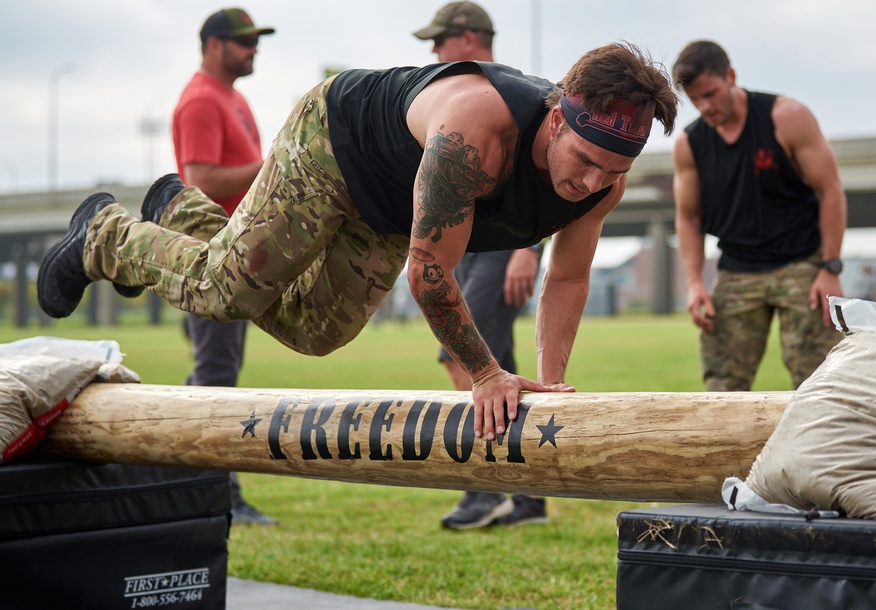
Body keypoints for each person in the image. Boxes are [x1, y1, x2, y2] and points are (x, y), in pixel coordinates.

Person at [36, 42, 679, 449]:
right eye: (588, 161)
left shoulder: (602, 186)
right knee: (225, 291)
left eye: (614, 172)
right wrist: (486, 374)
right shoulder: (474, 132)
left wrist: (550, 387)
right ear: (558, 117)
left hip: (392, 209)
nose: (593, 183)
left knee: (314, 331)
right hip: (334, 146)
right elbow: (430, 270)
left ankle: (178, 210)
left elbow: (565, 280)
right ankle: (105, 235)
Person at [126, 7, 278, 525]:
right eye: (243, 42)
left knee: (217, 369)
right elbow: (198, 179)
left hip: (234, 251)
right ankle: (213, 493)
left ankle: (192, 486)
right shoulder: (200, 100)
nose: (253, 49)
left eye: (256, 40)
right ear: (213, 45)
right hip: (209, 253)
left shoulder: (234, 99)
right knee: (214, 374)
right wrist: (273, 163)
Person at [413, 0, 545, 529]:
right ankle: (531, 498)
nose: (433, 51)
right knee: (499, 362)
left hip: (500, 251)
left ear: (468, 39)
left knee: (463, 359)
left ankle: (482, 486)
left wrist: (527, 251)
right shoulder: (461, 91)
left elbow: (541, 180)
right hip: (466, 252)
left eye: (440, 40)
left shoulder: (510, 89)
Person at [670, 40, 846, 391]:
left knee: (821, 380)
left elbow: (831, 191)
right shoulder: (690, 145)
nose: (705, 106)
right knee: (722, 386)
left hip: (801, 262)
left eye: (711, 94)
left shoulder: (786, 117)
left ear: (731, 76)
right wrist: (693, 282)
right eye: (696, 99)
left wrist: (830, 268)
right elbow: (688, 218)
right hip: (738, 267)